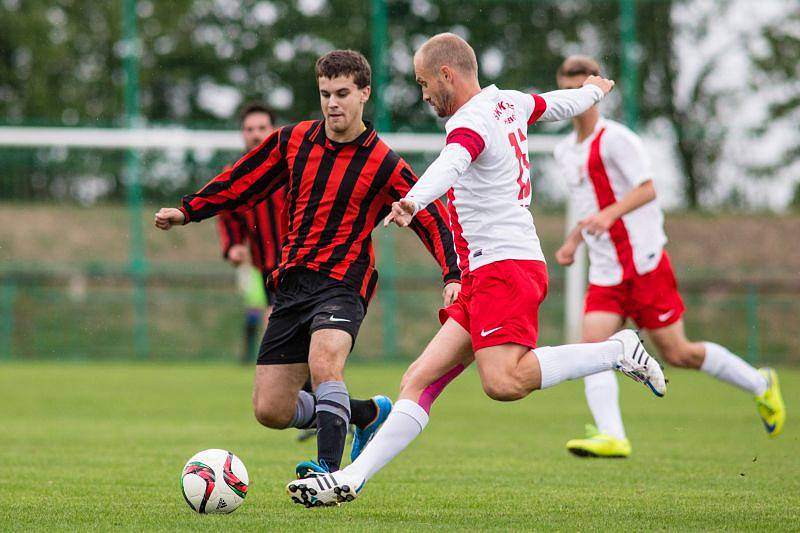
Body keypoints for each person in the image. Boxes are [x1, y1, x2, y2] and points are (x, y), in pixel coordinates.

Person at [285, 33, 665, 507]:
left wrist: (412, 200)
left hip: (505, 267)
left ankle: (615, 350)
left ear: (448, 74)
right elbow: (558, 104)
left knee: (503, 383)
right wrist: (593, 91)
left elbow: (453, 161)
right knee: (418, 380)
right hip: (487, 270)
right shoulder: (508, 102)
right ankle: (349, 479)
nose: (423, 94)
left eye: (425, 83)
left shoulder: (470, 120)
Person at [155, 49, 460, 483]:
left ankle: (327, 473)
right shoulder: (293, 141)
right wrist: (189, 211)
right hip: (291, 285)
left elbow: (430, 215)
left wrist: (452, 274)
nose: (332, 103)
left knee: (325, 364)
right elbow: (242, 181)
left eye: (341, 93)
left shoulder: (384, 162)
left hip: (343, 282)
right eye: (325, 94)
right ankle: (367, 413)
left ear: (363, 95)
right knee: (272, 409)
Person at [547, 55, 785, 458]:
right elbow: (590, 207)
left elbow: (647, 190)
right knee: (592, 347)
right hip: (606, 271)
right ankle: (613, 435)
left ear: (594, 92)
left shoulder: (618, 139)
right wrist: (573, 241)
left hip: (643, 262)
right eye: (566, 92)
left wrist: (608, 215)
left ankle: (760, 383)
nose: (573, 99)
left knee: (678, 353)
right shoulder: (564, 152)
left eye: (579, 91)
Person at [216, 103, 286, 364]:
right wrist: (233, 244)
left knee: (285, 328)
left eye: (261, 128)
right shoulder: (233, 175)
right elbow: (227, 215)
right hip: (265, 267)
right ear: (242, 134)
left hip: (299, 262)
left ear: (274, 130)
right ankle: (304, 393)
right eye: (249, 129)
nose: (255, 134)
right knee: (278, 327)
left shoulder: (291, 168)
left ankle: (304, 392)